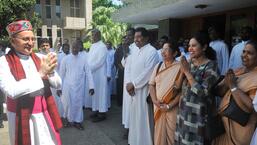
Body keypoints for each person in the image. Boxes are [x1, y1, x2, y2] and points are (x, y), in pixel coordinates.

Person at [0, 20, 62, 145]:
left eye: (32, 39)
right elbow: (11, 90)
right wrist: (41, 73)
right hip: (20, 115)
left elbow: (58, 84)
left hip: (43, 113)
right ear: (13, 41)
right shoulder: (3, 61)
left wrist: (50, 72)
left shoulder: (40, 57)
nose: (31, 43)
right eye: (25, 39)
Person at [175, 31, 219, 145]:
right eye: (189, 45)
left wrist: (187, 72)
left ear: (204, 47)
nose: (190, 48)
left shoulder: (211, 66)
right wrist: (182, 70)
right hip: (184, 114)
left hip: (199, 117)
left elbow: (203, 93)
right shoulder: (189, 63)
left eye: (194, 45)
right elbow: (177, 87)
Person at [212, 40, 257, 145]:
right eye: (244, 51)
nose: (244, 55)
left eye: (249, 53)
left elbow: (251, 106)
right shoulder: (239, 71)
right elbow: (219, 92)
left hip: (241, 132)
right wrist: (226, 82)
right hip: (223, 129)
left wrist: (233, 86)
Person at [126, 27, 158, 145]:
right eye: (135, 37)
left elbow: (149, 72)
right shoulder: (134, 51)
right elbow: (128, 68)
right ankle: (134, 141)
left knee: (144, 119)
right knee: (134, 119)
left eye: (139, 37)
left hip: (144, 90)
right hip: (133, 91)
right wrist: (129, 83)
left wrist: (133, 84)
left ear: (146, 38)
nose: (136, 39)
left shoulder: (152, 51)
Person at [149, 41, 183, 145]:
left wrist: (169, 106)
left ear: (174, 53)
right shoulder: (158, 66)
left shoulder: (180, 67)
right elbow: (151, 84)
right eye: (162, 49)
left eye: (166, 50)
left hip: (172, 107)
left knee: (172, 135)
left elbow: (182, 91)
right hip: (158, 106)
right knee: (158, 134)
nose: (163, 52)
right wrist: (155, 101)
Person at [59, 40, 94, 130]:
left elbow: (88, 73)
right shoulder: (65, 59)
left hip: (79, 86)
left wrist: (91, 86)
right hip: (67, 86)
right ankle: (66, 119)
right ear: (71, 48)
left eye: (76, 47)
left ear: (79, 48)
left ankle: (77, 122)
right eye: (73, 47)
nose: (75, 49)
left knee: (78, 104)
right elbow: (61, 74)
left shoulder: (83, 59)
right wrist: (59, 87)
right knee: (66, 104)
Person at [87, 29, 108, 122]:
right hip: (93, 74)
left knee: (101, 93)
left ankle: (102, 113)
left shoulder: (102, 46)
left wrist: (89, 68)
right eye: (92, 35)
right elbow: (89, 59)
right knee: (95, 93)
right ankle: (95, 110)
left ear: (99, 35)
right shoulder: (92, 45)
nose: (92, 37)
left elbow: (100, 62)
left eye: (94, 35)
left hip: (100, 74)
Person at [121, 35, 132, 139]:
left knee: (131, 108)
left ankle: (129, 130)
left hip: (133, 84)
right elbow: (124, 64)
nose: (127, 40)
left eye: (129, 37)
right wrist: (125, 54)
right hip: (126, 82)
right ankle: (127, 128)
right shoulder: (128, 48)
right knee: (127, 108)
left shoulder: (136, 49)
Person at [106, 41, 116, 108]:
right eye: (106, 44)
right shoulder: (105, 51)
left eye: (109, 44)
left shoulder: (113, 51)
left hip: (112, 69)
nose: (107, 45)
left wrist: (110, 66)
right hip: (106, 69)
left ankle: (112, 95)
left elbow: (113, 60)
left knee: (112, 83)